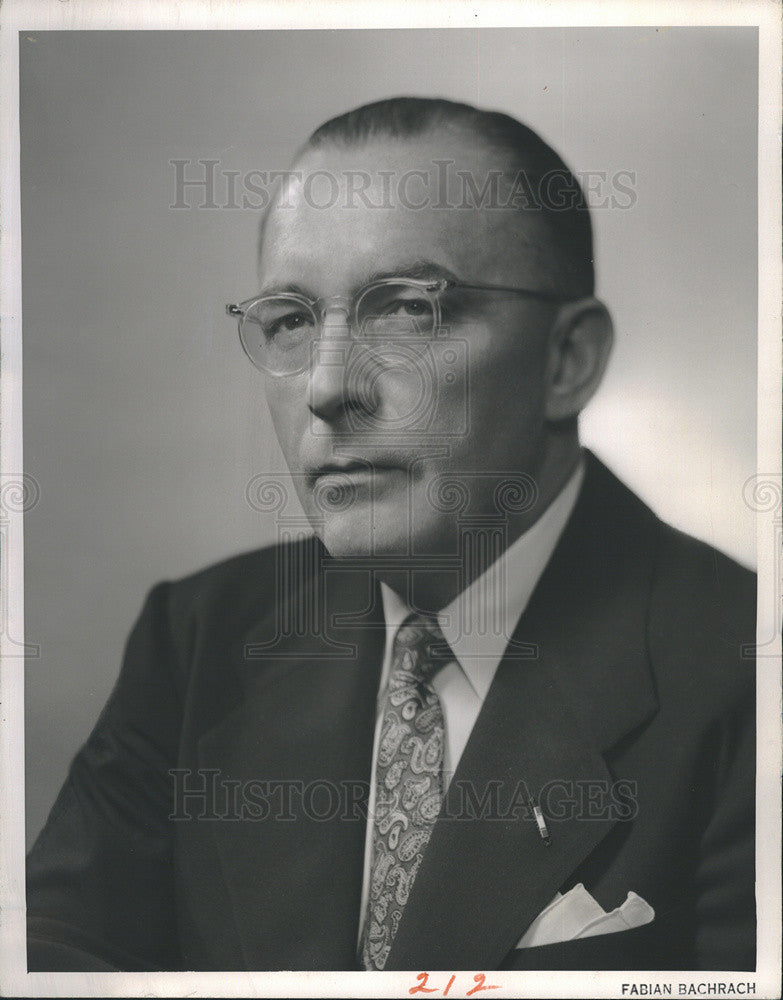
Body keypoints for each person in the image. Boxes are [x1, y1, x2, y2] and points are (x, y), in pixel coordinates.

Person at [26, 97, 755, 973]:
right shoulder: (197, 643)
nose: (329, 386)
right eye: (292, 320)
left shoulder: (748, 678)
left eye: (407, 310)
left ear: (565, 361)